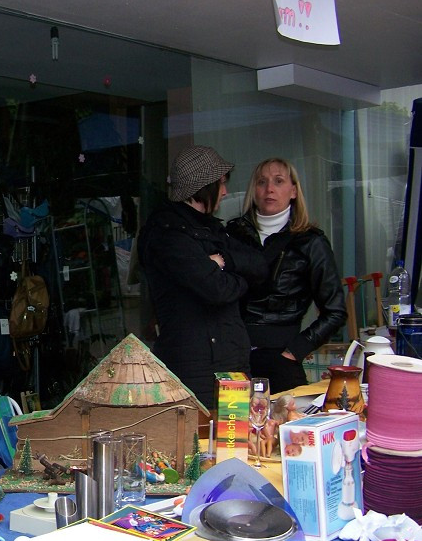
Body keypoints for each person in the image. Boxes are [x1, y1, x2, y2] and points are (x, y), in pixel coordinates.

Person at [138, 146, 266, 410]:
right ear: (204, 186)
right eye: (220, 183)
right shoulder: (167, 234)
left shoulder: (211, 227)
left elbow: (260, 266)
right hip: (195, 371)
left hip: (230, 365)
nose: (225, 191)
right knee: (202, 446)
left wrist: (225, 263)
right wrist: (240, 277)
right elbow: (216, 289)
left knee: (236, 445)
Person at [226, 158, 346, 394]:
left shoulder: (311, 242)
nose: (269, 189)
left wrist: (296, 349)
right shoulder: (232, 234)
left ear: (293, 191)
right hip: (232, 357)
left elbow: (336, 311)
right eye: (262, 182)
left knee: (285, 428)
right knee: (232, 430)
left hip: (280, 358)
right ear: (254, 190)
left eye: (278, 181)